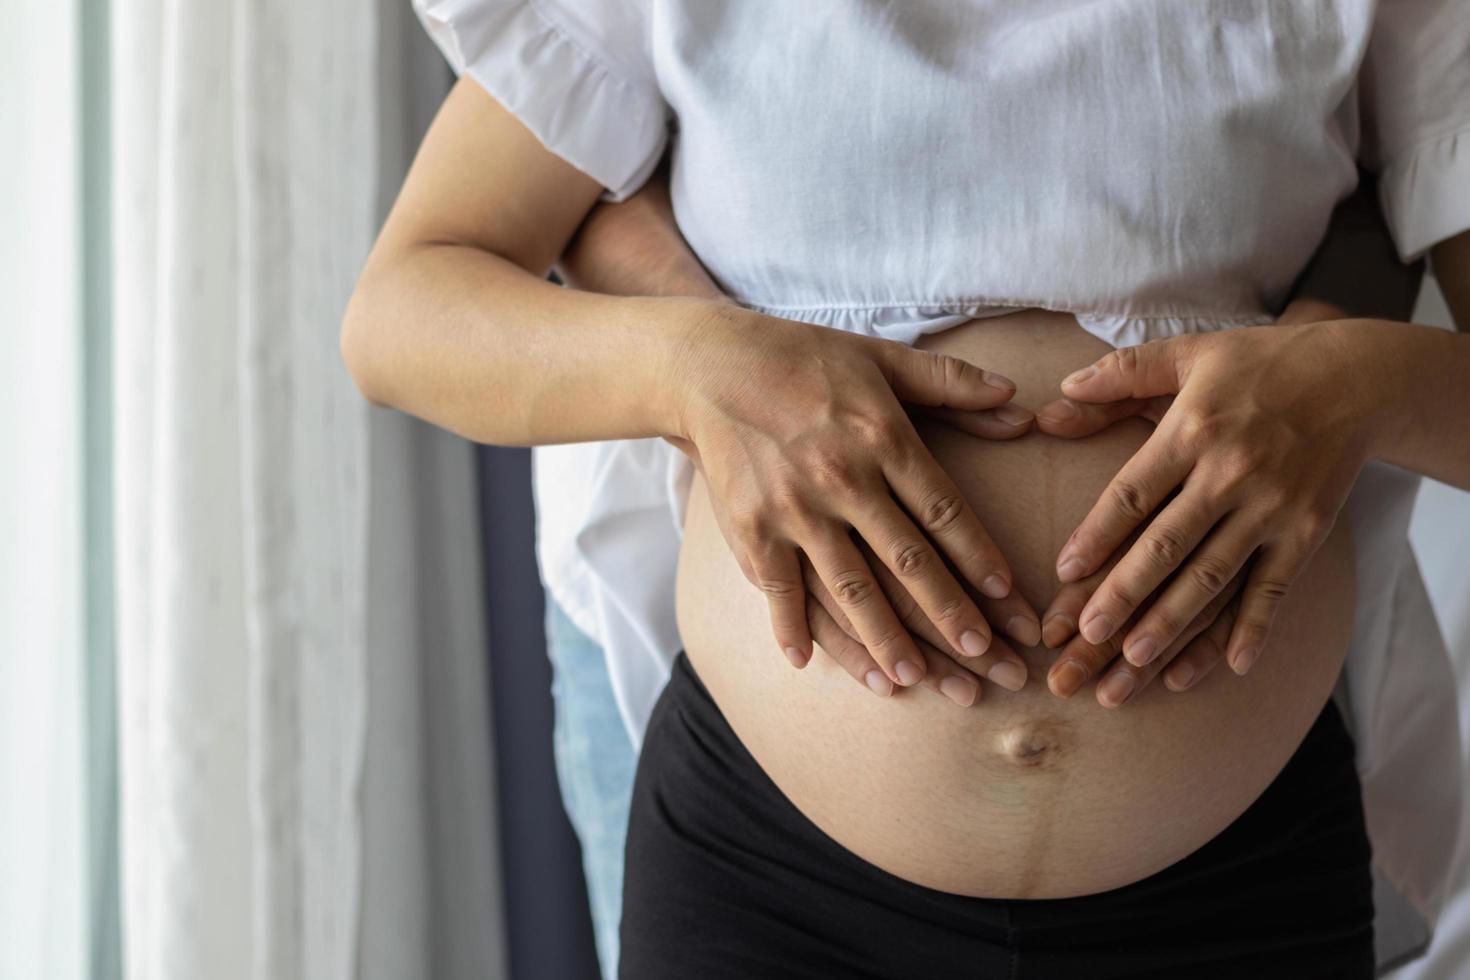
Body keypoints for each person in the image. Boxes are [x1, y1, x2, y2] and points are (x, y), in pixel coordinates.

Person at [345, 3, 1470, 976]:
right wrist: (692, 371)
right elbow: (404, 309)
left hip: (1234, 888)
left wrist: (1355, 385)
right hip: (774, 891)